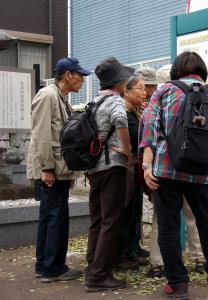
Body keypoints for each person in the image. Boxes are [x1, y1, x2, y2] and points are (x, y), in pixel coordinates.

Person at [139, 51, 208, 299]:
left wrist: (147, 165)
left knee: (169, 226)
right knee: (207, 219)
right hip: (201, 173)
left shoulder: (164, 91)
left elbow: (148, 125)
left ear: (176, 71)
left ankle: (178, 284)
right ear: (201, 71)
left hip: (166, 171)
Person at [27, 57, 91, 282]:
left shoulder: (60, 97)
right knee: (55, 217)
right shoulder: (49, 95)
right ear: (68, 76)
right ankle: (53, 268)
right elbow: (41, 134)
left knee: (51, 215)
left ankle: (44, 265)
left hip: (57, 167)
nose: (82, 80)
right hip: (51, 167)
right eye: (80, 76)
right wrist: (46, 168)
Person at [147, 64, 205, 278]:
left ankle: (157, 263)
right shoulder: (192, 99)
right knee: (192, 214)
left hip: (163, 167)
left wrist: (146, 166)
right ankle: (199, 258)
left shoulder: (157, 100)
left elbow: (147, 135)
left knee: (161, 219)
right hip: (190, 165)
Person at [85, 57, 133, 292]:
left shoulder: (94, 102)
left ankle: (92, 265)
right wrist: (126, 149)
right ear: (117, 81)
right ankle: (98, 276)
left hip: (93, 168)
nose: (127, 81)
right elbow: (121, 120)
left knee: (97, 219)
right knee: (111, 220)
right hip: (112, 166)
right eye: (124, 78)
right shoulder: (115, 100)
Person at [115, 71, 149, 269]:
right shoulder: (121, 114)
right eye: (140, 88)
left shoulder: (136, 112)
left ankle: (132, 248)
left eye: (145, 88)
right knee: (125, 210)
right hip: (125, 169)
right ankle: (121, 254)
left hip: (135, 169)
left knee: (135, 210)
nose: (144, 93)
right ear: (126, 91)